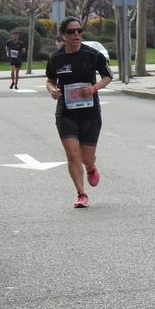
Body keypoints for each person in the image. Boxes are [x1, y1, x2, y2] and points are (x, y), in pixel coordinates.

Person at [45, 17, 113, 208]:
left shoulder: (92, 55)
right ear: (63, 35)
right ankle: (81, 194)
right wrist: (52, 90)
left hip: (90, 112)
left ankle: (91, 168)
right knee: (72, 154)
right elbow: (50, 80)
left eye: (79, 31)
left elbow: (108, 76)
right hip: (66, 112)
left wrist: (93, 89)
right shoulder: (56, 58)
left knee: (86, 158)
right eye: (71, 32)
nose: (76, 35)